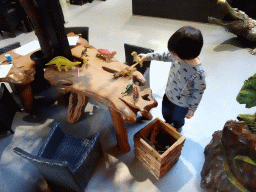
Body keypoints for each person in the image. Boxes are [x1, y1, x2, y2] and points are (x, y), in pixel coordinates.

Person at [138, 26, 206, 130]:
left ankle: (177, 128)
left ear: (186, 54)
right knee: (166, 114)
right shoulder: (178, 56)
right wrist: (147, 56)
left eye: (173, 53)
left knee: (178, 120)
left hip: (182, 104)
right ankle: (168, 123)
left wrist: (192, 109)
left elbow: (198, 92)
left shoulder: (198, 73)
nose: (171, 55)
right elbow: (163, 55)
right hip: (168, 95)